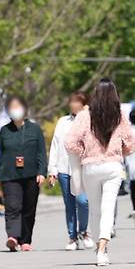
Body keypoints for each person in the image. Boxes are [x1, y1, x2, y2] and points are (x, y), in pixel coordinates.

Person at [66, 79, 135, 266]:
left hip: (91, 168)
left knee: (95, 210)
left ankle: (99, 247)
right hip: (113, 167)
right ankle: (103, 249)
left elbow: (70, 143)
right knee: (108, 209)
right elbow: (130, 144)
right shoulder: (119, 115)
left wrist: (85, 153)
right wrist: (120, 152)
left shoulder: (84, 115)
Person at [0, 96, 48, 252]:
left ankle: (25, 240)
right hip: (9, 175)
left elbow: (41, 153)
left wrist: (42, 172)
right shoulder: (5, 130)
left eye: (18, 106)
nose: (15, 110)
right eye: (12, 107)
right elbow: (0, 154)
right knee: (12, 207)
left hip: (31, 174)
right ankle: (13, 237)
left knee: (28, 209)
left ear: (25, 109)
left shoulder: (35, 129)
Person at [48, 92, 94, 251]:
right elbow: (55, 145)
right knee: (69, 204)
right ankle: (72, 237)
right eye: (72, 102)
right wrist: (52, 170)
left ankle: (84, 232)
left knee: (82, 201)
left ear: (84, 104)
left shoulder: (90, 120)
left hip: (82, 168)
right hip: (64, 168)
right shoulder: (63, 122)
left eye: (77, 102)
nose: (73, 105)